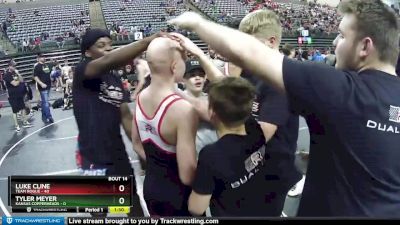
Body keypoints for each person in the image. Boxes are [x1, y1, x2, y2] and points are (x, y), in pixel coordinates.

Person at [169, 0, 400, 217]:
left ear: (364, 46)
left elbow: (245, 53)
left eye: (341, 35)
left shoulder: (339, 88)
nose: (334, 42)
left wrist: (195, 22)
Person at [172, 10, 303, 216]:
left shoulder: (279, 83)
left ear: (270, 41)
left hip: (271, 171)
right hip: (249, 168)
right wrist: (198, 53)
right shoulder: (253, 70)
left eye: (250, 44)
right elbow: (231, 90)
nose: (244, 51)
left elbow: (258, 135)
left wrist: (205, 110)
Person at [73, 28, 159, 216]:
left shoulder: (113, 78)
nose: (108, 49)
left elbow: (126, 116)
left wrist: (140, 148)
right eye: (101, 45)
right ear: (87, 52)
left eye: (110, 45)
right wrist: (147, 41)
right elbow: (108, 60)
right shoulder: (83, 70)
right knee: (98, 211)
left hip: (116, 151)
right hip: (92, 153)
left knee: (132, 205)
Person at [132, 37, 198, 216]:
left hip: (152, 189)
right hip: (179, 196)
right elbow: (187, 174)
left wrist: (159, 166)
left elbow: (136, 143)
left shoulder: (140, 97)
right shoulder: (182, 109)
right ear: (175, 66)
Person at [188, 77, 270, 216]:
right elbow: (236, 96)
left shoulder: (211, 155)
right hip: (260, 208)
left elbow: (196, 208)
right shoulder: (256, 130)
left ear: (212, 113)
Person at [4, 60, 33, 132]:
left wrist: (18, 74)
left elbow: (22, 80)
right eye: (13, 66)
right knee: (15, 111)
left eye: (15, 66)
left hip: (19, 93)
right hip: (12, 95)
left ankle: (25, 122)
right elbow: (15, 84)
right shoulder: (7, 75)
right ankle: (17, 126)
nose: (14, 67)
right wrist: (19, 81)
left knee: (23, 108)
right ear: (9, 66)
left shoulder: (15, 73)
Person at [33, 53, 54, 124]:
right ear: (38, 58)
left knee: (44, 103)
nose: (44, 58)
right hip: (43, 87)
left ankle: (44, 116)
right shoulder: (37, 66)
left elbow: (47, 73)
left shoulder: (46, 65)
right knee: (46, 103)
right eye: (42, 57)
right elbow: (35, 77)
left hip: (48, 86)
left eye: (44, 57)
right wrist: (41, 84)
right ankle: (49, 116)